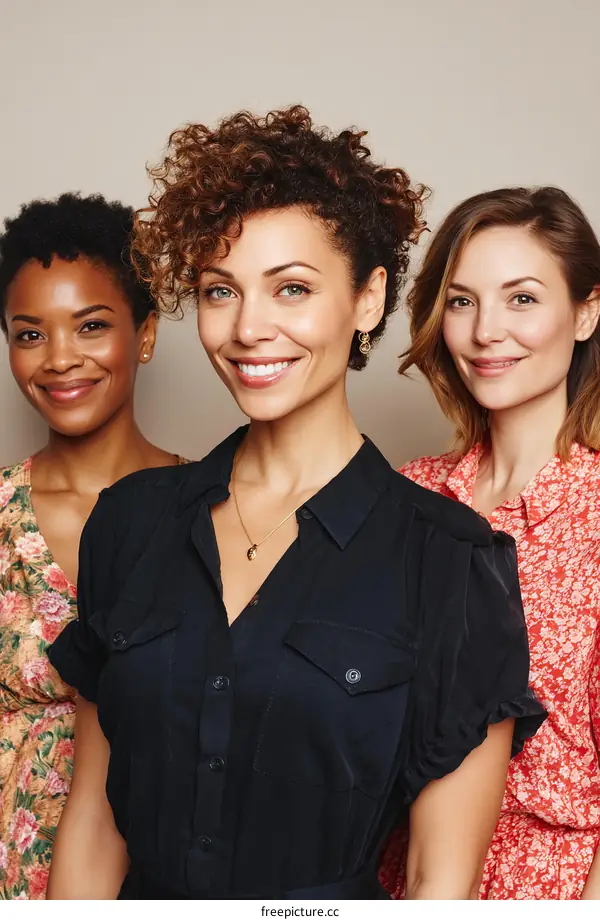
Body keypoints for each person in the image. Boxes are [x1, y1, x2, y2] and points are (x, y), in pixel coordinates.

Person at [47, 107, 544, 900]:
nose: (249, 328)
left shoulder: (451, 562)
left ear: (368, 298)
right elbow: (95, 826)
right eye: (220, 290)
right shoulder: (132, 523)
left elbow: (436, 883)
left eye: (292, 288)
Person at [380, 186, 600, 900]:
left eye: (523, 299)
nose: (485, 332)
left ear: (587, 312)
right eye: (463, 301)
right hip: (398, 882)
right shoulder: (405, 499)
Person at [0, 192, 185, 899]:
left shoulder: (219, 508)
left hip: (169, 871)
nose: (60, 359)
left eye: (91, 326)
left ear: (143, 334)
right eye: (29, 334)